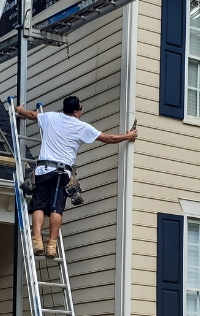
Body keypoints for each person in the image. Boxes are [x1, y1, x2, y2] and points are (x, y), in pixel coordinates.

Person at [15, 96, 138, 258]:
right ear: (75, 112)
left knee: (38, 205)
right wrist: (128, 136)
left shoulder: (50, 116)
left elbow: (31, 115)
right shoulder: (81, 127)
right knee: (56, 208)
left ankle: (37, 240)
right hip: (62, 173)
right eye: (80, 109)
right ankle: (52, 245)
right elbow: (108, 139)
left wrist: (19, 111)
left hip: (43, 170)